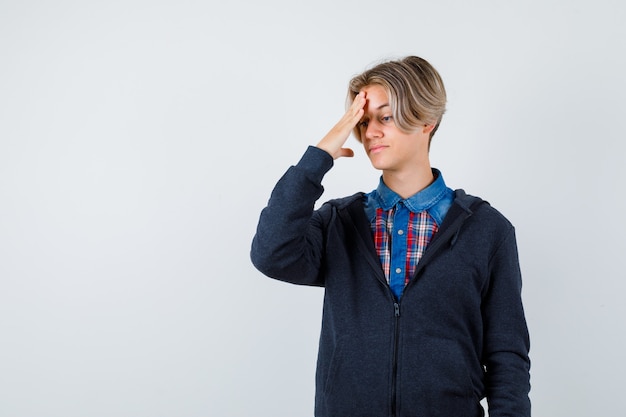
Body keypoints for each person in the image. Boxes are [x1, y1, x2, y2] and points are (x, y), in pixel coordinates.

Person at [250, 56, 530, 417]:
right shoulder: (339, 222)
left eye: (384, 117)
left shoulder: (488, 230)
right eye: (363, 122)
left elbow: (507, 356)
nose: (369, 133)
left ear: (427, 119)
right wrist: (319, 157)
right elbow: (270, 253)